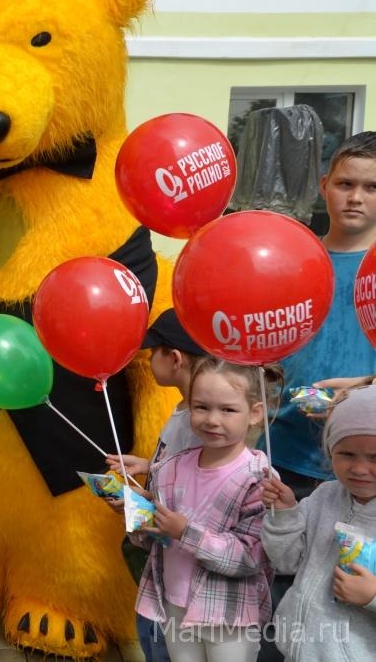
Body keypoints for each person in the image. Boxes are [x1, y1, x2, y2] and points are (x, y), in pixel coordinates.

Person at [260, 131, 376, 662]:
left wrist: (363, 389)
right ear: (324, 187)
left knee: (346, 610)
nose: (356, 197)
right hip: (284, 456)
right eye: (346, 183)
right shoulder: (289, 260)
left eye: (372, 187)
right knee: (278, 592)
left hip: (360, 469)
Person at [131, 358, 276, 662]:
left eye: (228, 409)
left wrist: (186, 533)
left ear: (255, 413)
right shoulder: (170, 468)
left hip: (228, 614)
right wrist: (139, 515)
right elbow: (152, 542)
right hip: (174, 603)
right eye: (201, 407)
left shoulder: (258, 478)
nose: (212, 419)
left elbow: (250, 556)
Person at [102, 309, 208, 662]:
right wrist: (150, 466)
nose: (148, 361)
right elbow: (182, 467)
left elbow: (189, 498)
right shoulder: (187, 410)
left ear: (174, 358)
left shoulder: (199, 423)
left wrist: (140, 500)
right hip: (162, 561)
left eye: (153, 353)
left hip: (174, 569)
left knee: (159, 642)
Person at [260, 386, 376, 661]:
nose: (359, 468)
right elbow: (286, 562)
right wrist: (285, 513)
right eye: (346, 454)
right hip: (296, 650)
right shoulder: (324, 496)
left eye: (375, 457)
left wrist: (372, 596)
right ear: (329, 451)